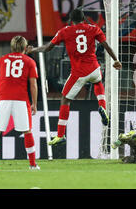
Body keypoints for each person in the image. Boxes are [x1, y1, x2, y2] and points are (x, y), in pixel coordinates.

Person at [27, 9, 122, 146]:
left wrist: (33, 50)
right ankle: (103, 107)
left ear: (71, 20)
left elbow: (48, 48)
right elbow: (105, 45)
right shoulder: (93, 28)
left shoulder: (65, 31)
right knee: (97, 83)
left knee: (65, 99)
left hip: (79, 73)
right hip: (94, 68)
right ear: (84, 18)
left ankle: (60, 134)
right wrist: (115, 60)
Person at [0, 36, 39, 170]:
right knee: (27, 131)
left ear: (12, 47)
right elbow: (33, 85)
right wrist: (34, 103)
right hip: (21, 100)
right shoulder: (29, 61)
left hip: (3, 99)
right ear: (25, 48)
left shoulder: (3, 59)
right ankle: (32, 165)